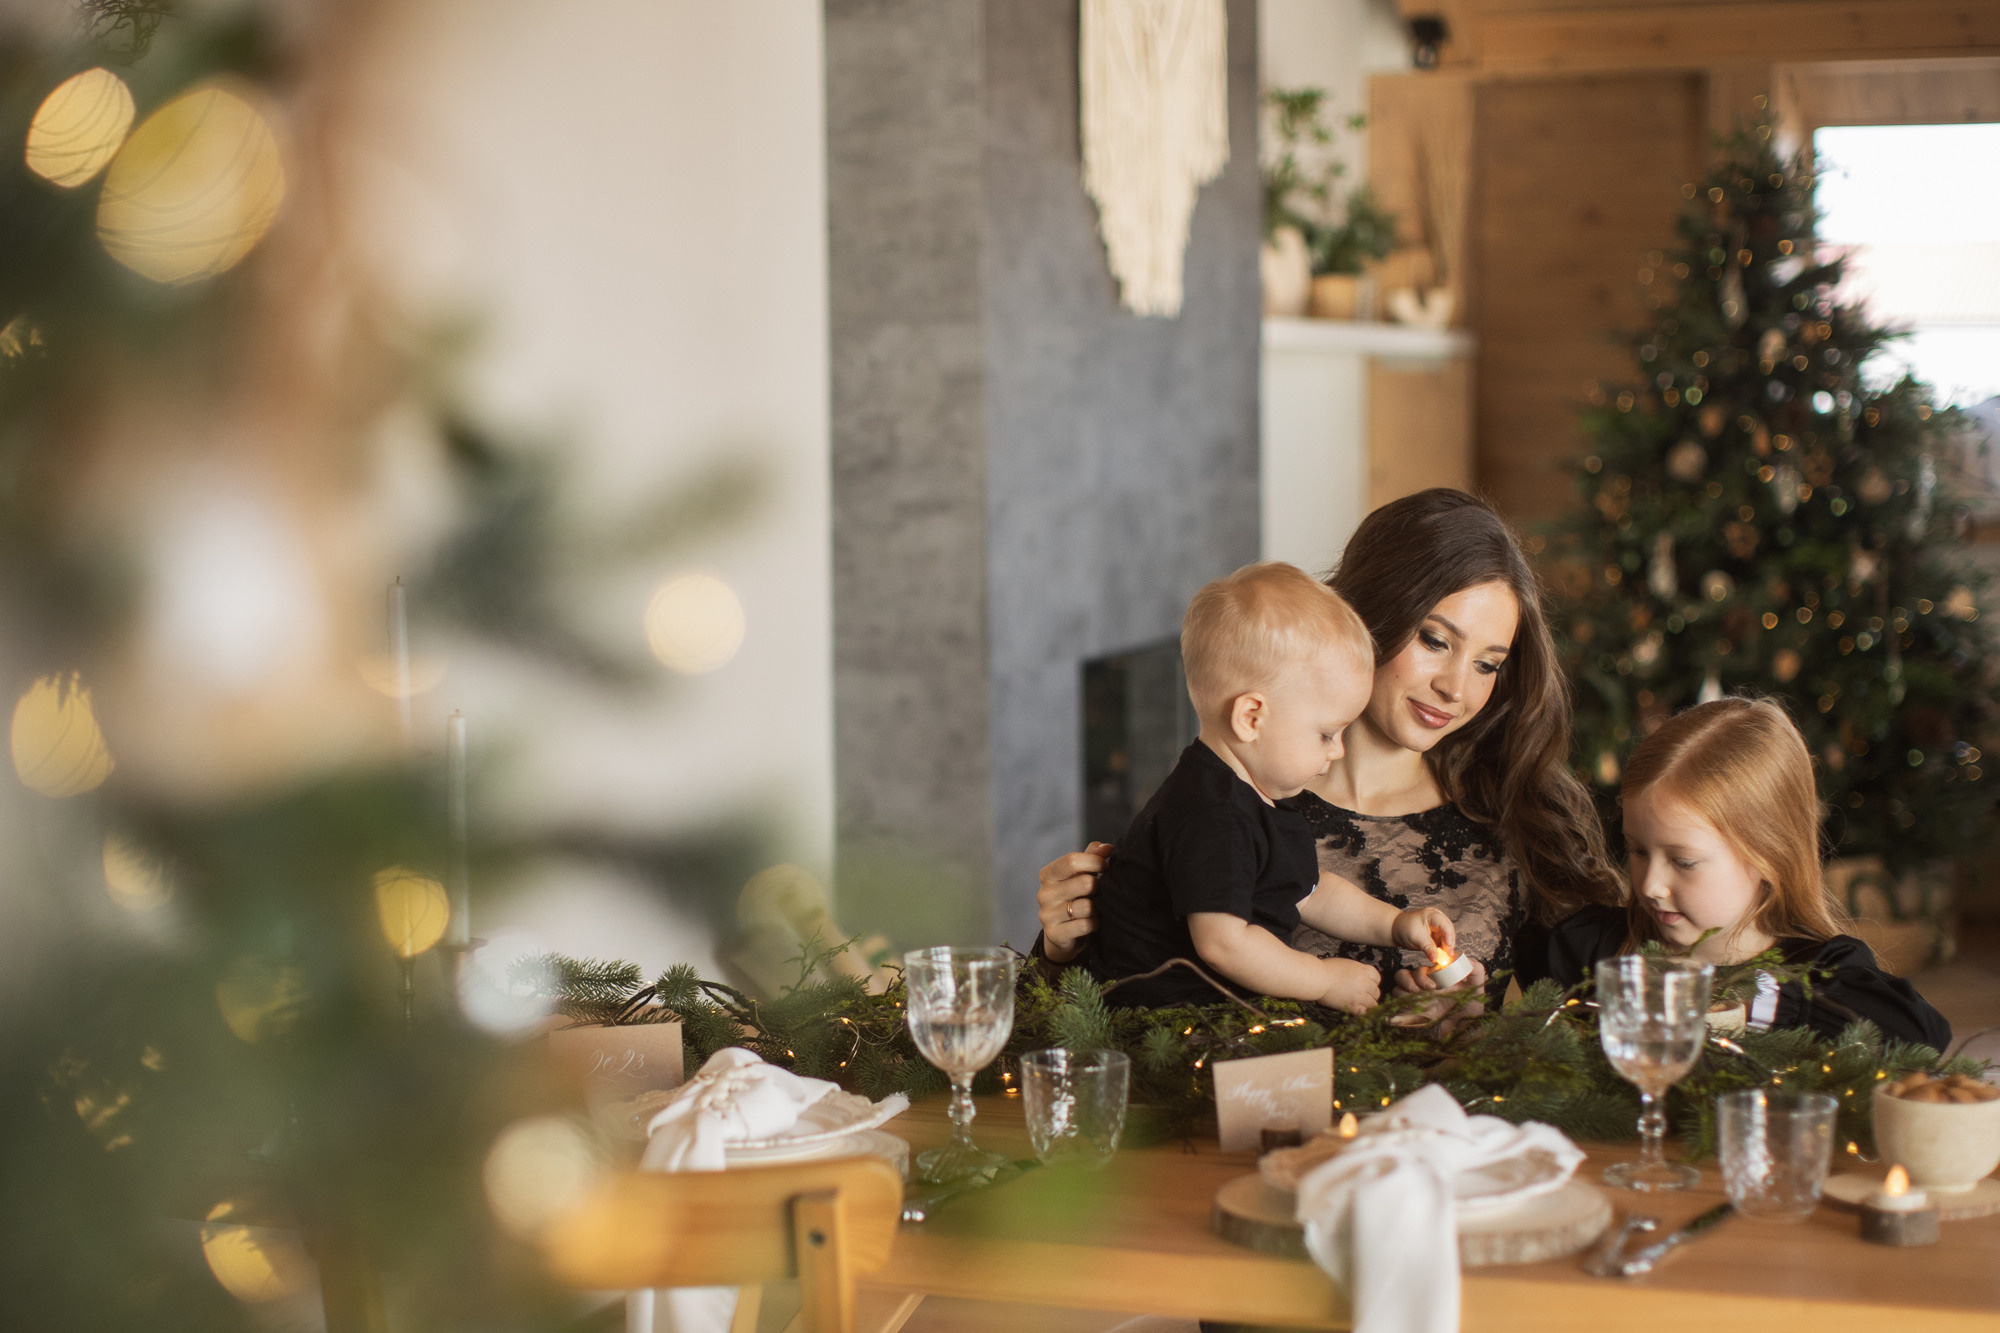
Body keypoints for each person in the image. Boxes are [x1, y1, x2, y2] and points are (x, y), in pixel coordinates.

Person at [1039, 490, 1623, 1007]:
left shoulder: (1514, 814)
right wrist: (1062, 947)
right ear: (1366, 615)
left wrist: (1470, 1030)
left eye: (1488, 664)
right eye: (1435, 640)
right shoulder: (1231, 793)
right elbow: (1086, 1026)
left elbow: (1607, 1022)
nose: (1457, 689)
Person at [1087, 562, 1457, 1011]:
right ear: (1251, 718)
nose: (1337, 751)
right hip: (1157, 1024)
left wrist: (1396, 924)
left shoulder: (1255, 798)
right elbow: (1223, 944)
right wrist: (1323, 980)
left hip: (1210, 1017)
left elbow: (1312, 891)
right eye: (1326, 734)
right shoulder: (1211, 813)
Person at [1539, 697, 1952, 1049]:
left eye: (1684, 862)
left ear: (1766, 855)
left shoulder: (1824, 972)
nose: (1650, 885)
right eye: (1638, 851)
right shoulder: (1600, 950)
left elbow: (1923, 1037)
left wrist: (1756, 1004)